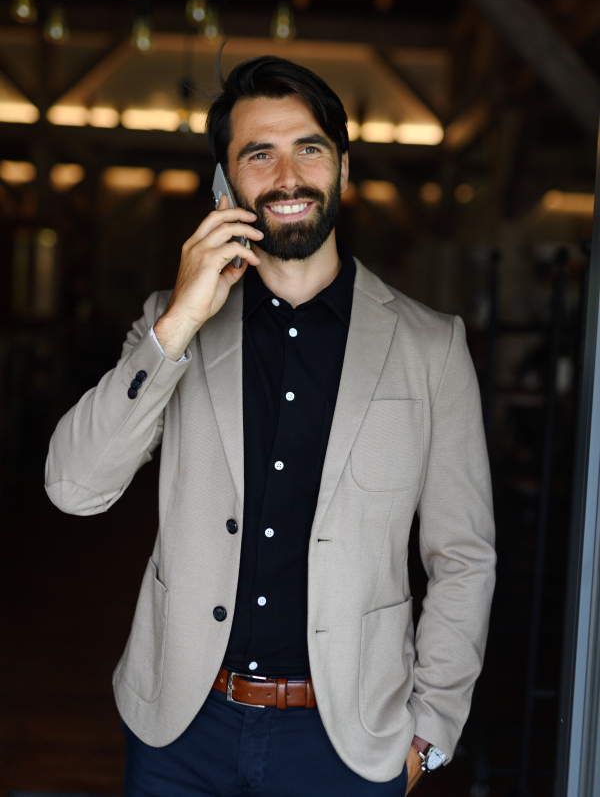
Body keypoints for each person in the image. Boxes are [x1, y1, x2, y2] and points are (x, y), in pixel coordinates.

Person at [45, 55, 496, 797]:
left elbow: (464, 556)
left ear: (343, 169)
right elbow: (73, 488)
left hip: (347, 741)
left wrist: (430, 731)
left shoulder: (431, 346)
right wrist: (179, 323)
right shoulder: (173, 324)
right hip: (181, 731)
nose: (287, 176)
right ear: (226, 185)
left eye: (308, 148)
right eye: (259, 154)